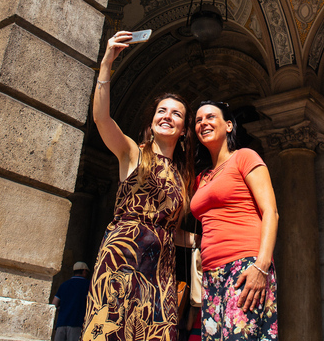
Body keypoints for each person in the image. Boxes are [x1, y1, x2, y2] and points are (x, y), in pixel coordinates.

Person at [81, 31, 195, 341]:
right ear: (152, 120)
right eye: (162, 110)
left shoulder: (183, 176)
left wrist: (205, 242)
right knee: (110, 332)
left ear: (184, 130)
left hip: (161, 269)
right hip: (120, 260)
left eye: (176, 113)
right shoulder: (132, 152)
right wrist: (106, 65)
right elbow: (102, 118)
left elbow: (170, 230)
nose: (167, 116)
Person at [190, 101, 279, 341]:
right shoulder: (202, 178)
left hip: (245, 266)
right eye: (198, 120)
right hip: (211, 274)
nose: (203, 123)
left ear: (228, 125)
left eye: (210, 117)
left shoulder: (244, 157)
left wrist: (261, 267)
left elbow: (271, 211)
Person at [52, 261, 91, 341]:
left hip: (61, 324)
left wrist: (61, 308)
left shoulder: (64, 285)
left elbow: (54, 304)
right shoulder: (88, 285)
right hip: (76, 323)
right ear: (84, 271)